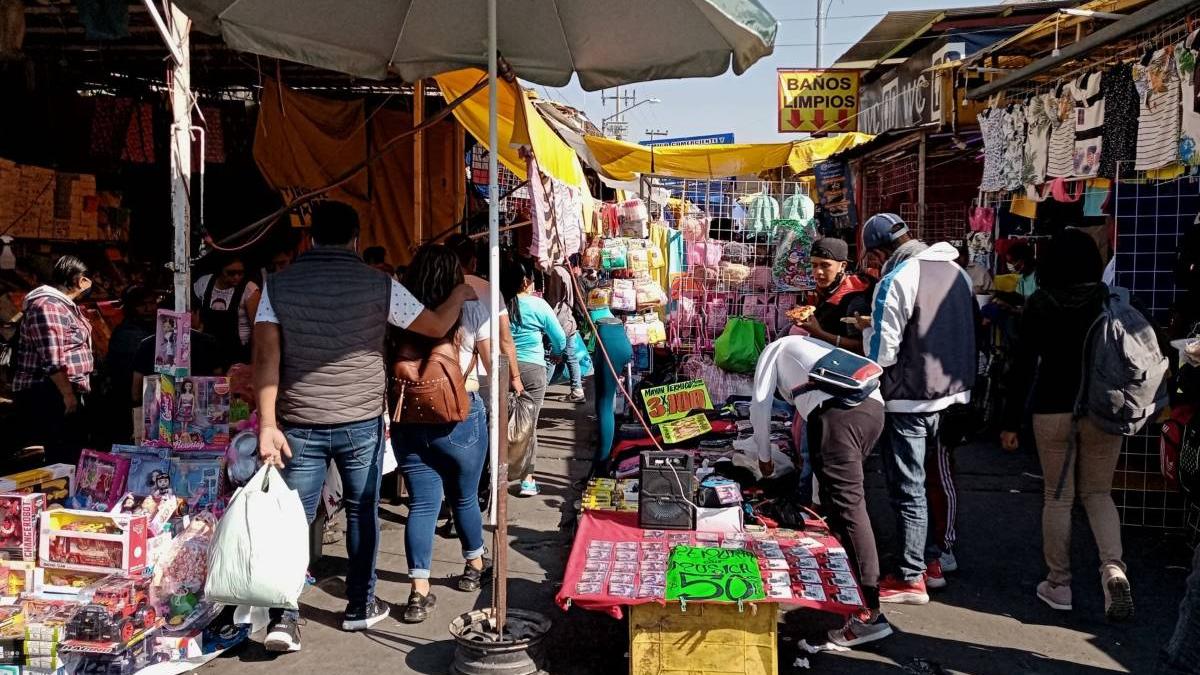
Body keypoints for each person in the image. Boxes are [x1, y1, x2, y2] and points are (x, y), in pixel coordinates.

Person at [253, 201, 475, 652]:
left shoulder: (276, 286)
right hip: (359, 421)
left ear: (310, 237)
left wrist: (267, 424)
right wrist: (460, 293)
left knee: (293, 521)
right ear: (355, 238)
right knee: (361, 512)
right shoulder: (380, 284)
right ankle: (360, 606)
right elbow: (434, 325)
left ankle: (284, 619)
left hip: (298, 422)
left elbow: (266, 358)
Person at [1000, 229, 1133, 621]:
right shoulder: (1107, 301)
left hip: (1053, 409)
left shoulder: (1041, 303)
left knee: (1058, 499)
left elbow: (1021, 367)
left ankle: (1059, 584)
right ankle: (1113, 568)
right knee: (1098, 493)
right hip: (1102, 411)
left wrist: (1010, 422)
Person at [859, 213, 976, 604]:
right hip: (954, 395)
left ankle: (910, 576)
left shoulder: (897, 279)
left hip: (909, 399)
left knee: (908, 487)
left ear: (878, 252)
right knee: (938, 478)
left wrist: (864, 331)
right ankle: (938, 557)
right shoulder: (957, 273)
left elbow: (882, 353)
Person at [750, 336, 891, 646]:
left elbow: (759, 404)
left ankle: (869, 612)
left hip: (840, 416)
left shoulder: (774, 352)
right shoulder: (811, 346)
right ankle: (853, 592)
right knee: (838, 502)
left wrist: (764, 459)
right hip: (872, 410)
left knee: (848, 507)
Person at [392, 244, 492, 624]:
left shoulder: (402, 311)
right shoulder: (469, 309)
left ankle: (418, 593)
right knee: (464, 497)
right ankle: (474, 565)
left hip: (409, 421)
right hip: (459, 416)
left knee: (422, 503)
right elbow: (488, 361)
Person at [12, 255, 95, 465]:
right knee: (58, 456)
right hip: (49, 393)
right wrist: (68, 394)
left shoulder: (64, 305)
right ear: (79, 279)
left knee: (69, 453)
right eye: (87, 278)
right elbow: (52, 357)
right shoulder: (48, 306)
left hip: (61, 391)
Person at [501, 259, 566, 497]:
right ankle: (527, 478)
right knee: (529, 423)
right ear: (526, 282)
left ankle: (495, 472)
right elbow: (559, 337)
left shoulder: (498, 303)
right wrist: (557, 355)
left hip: (500, 367)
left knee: (498, 420)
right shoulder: (537, 305)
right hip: (533, 369)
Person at [794, 237, 871, 353]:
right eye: (814, 265)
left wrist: (818, 333)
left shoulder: (855, 298)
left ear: (843, 266)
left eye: (825, 265)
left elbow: (862, 347)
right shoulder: (820, 291)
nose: (818, 272)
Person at [104, 285, 158, 444]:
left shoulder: (150, 330)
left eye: (152, 303)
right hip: (129, 401)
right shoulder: (128, 334)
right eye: (142, 305)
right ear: (131, 308)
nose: (148, 309)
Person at [193, 256, 259, 365]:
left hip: (237, 355)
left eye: (240, 273)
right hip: (208, 353)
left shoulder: (250, 290)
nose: (236, 277)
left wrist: (253, 363)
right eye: (231, 273)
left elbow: (257, 330)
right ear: (220, 270)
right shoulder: (204, 283)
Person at [543, 260, 586, 402]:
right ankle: (577, 390)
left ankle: (540, 392)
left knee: (552, 357)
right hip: (567, 321)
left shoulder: (556, 272)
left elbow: (553, 301)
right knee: (570, 357)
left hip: (559, 322)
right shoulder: (565, 272)